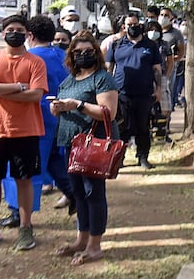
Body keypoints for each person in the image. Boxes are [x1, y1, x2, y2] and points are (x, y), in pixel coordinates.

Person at [49, 31, 118, 266]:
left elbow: (108, 112)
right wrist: (58, 108)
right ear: (71, 54)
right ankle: (81, 240)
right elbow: (65, 104)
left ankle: (94, 246)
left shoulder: (102, 78)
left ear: (96, 53)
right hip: (71, 143)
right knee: (78, 193)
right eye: (77, 52)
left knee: (93, 193)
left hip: (93, 144)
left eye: (88, 51)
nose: (82, 55)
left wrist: (77, 104)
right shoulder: (70, 78)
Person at [0, 15, 74, 230]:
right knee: (53, 159)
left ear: (29, 35)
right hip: (59, 114)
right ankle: (73, 193)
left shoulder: (28, 58)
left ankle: (17, 211)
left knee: (22, 166)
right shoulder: (64, 56)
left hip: (32, 115)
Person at [0, 15, 48, 250]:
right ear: (3, 33)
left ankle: (26, 228)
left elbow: (36, 95)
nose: (15, 32)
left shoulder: (35, 62)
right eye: (10, 29)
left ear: (27, 34)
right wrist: (17, 87)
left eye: (19, 29)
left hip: (26, 130)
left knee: (24, 180)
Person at [105, 14, 162, 169]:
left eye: (135, 23)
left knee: (143, 127)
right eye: (130, 24)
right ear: (124, 26)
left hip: (144, 94)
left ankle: (143, 157)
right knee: (122, 128)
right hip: (121, 94)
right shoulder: (116, 45)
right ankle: (119, 159)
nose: (133, 27)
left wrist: (159, 89)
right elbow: (108, 68)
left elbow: (156, 69)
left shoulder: (150, 45)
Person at [145, 20, 173, 141]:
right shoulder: (143, 44)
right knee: (147, 106)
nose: (153, 32)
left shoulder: (164, 44)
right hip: (146, 78)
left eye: (156, 30)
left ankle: (164, 131)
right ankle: (149, 132)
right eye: (151, 30)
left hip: (161, 77)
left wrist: (166, 75)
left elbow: (170, 61)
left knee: (165, 105)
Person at [158, 8, 185, 110]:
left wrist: (170, 59)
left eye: (166, 15)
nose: (163, 17)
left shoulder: (176, 34)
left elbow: (181, 53)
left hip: (169, 69)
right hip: (155, 68)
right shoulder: (155, 31)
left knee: (168, 92)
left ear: (171, 18)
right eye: (161, 15)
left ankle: (167, 118)